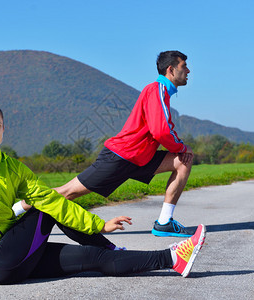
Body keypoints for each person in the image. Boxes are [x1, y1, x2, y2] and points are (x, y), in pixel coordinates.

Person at [0, 101, 206, 289]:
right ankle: (105, 239)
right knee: (45, 207)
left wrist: (95, 229)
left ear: (3, 130)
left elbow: (48, 197)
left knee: (95, 259)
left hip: (21, 258)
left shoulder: (12, 167)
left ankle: (173, 258)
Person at [54, 51, 195, 237]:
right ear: (170, 69)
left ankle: (164, 222)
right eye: (184, 66)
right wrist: (181, 147)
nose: (188, 70)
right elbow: (160, 130)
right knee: (67, 193)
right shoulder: (157, 90)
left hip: (140, 158)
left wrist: (182, 150)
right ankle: (15, 210)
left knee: (183, 161)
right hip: (122, 156)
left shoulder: (163, 93)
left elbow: (164, 127)